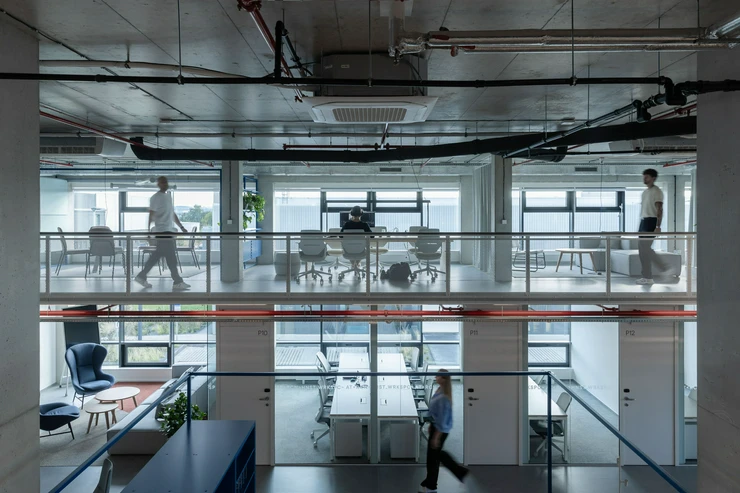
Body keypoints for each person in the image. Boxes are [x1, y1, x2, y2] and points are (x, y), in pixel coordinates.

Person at [134, 176, 191, 291]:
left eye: (166, 182)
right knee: (170, 258)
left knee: (159, 256)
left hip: (168, 231)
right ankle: (177, 281)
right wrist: (148, 231)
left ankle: (142, 276)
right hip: (162, 231)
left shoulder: (168, 196)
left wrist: (181, 227)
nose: (165, 184)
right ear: (158, 184)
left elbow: (172, 214)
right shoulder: (155, 198)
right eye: (162, 182)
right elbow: (151, 214)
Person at [419, 369, 468, 493]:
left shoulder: (444, 398)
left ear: (444, 379)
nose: (435, 377)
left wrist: (436, 436)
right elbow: (436, 413)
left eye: (438, 376)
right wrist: (431, 424)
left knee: (434, 458)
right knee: (434, 457)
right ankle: (431, 483)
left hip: (440, 430)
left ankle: (433, 485)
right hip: (436, 427)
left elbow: (442, 419)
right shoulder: (439, 390)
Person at [636, 168, 667, 285]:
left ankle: (663, 269)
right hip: (643, 221)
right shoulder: (645, 192)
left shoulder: (657, 191)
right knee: (642, 250)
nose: (644, 178)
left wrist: (658, 226)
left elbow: (659, 209)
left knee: (645, 248)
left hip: (651, 221)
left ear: (653, 178)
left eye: (647, 177)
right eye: (644, 176)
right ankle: (647, 277)